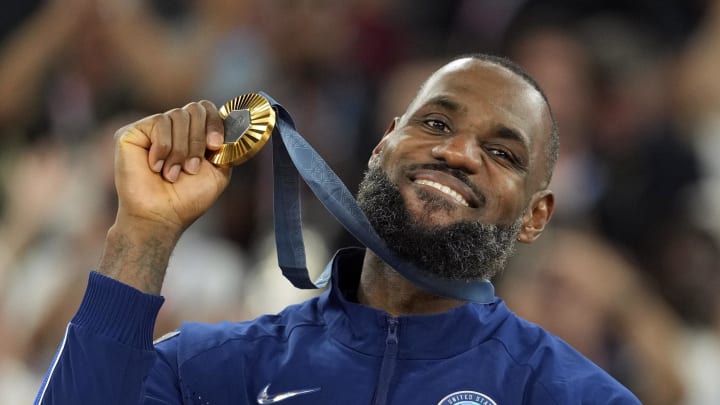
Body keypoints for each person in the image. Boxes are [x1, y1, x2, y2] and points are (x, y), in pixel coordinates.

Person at [34, 54, 640, 404]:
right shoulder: (214, 370)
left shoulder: (574, 396)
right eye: (433, 123)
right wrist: (145, 232)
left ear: (536, 216)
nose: (457, 152)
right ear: (383, 145)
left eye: (503, 154)